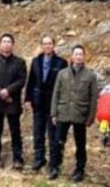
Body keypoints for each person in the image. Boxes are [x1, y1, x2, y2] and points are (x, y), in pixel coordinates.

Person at [47, 45, 97, 183]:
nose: (79, 56)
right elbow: (56, 93)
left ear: (84, 57)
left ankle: (79, 169)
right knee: (57, 142)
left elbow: (93, 98)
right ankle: (55, 167)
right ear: (72, 56)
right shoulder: (62, 73)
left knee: (80, 144)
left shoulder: (90, 75)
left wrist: (90, 117)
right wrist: (53, 113)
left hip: (80, 114)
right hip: (63, 112)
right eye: (76, 54)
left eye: (81, 54)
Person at [26, 35, 67, 172]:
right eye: (45, 44)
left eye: (50, 43)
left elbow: (63, 85)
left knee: (53, 135)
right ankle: (39, 158)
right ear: (41, 46)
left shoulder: (61, 63)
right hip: (38, 102)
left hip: (53, 104)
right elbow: (31, 81)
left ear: (54, 45)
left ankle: (54, 162)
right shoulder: (36, 61)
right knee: (38, 132)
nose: (47, 46)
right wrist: (28, 99)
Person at [0, 33, 27, 170]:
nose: (6, 44)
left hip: (12, 101)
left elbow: (21, 80)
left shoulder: (20, 62)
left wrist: (8, 91)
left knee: (15, 132)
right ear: (0, 44)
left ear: (13, 45)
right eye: (4, 41)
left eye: (9, 41)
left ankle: (17, 158)